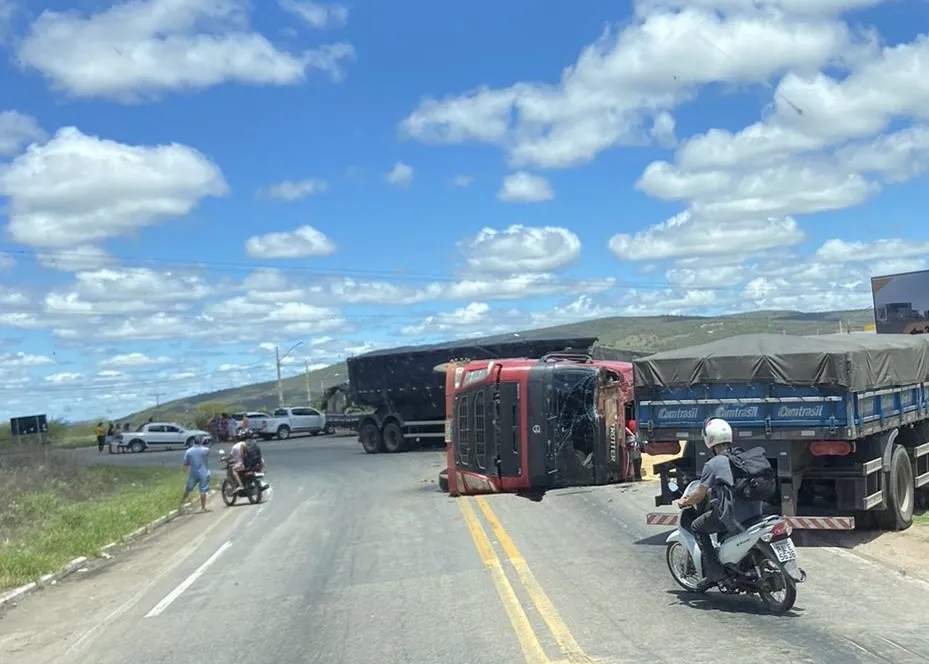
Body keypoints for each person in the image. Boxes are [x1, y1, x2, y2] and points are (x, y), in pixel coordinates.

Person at [676, 417, 764, 582]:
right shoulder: (743, 457)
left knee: (697, 527)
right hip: (756, 512)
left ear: (709, 440)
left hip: (732, 516)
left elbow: (700, 494)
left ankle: (714, 572)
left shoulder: (713, 464)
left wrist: (685, 501)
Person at [180, 438, 212, 513]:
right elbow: (208, 451)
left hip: (193, 473)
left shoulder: (188, 451)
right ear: (200, 442)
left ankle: (181, 503)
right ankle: (203, 508)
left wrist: (185, 469)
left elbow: (185, 463)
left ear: (193, 442)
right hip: (204, 473)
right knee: (203, 490)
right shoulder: (205, 450)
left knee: (188, 489)